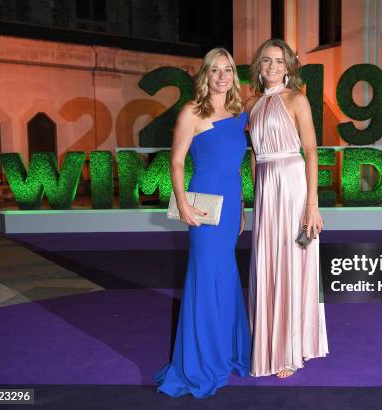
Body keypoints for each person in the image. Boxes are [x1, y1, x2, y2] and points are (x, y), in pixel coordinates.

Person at [154, 47, 251, 398]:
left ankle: (226, 352)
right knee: (206, 277)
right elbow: (177, 162)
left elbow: (237, 168)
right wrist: (182, 204)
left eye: (228, 70)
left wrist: (241, 209)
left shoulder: (240, 115)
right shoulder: (192, 112)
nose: (222, 76)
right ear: (205, 75)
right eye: (215, 70)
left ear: (233, 77)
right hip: (204, 204)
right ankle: (200, 362)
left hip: (229, 205)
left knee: (225, 276)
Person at [246, 39, 328, 378]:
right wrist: (254, 199)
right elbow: (253, 154)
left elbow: (310, 152)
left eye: (280, 61)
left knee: (294, 261)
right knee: (267, 262)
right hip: (266, 191)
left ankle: (292, 348)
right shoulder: (249, 103)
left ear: (289, 66)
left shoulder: (297, 99)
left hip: (294, 189)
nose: (273, 67)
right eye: (267, 60)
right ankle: (267, 340)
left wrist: (312, 205)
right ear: (259, 66)